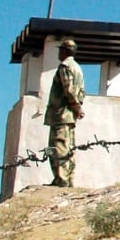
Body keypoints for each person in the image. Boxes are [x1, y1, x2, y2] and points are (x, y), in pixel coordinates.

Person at [44, 38, 85, 187]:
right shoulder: (77, 68)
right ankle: (68, 179)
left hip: (61, 114)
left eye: (60, 49)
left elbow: (69, 90)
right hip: (68, 115)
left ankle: (61, 179)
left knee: (57, 146)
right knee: (68, 147)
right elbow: (80, 91)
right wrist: (78, 108)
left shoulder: (65, 66)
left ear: (64, 51)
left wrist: (77, 108)